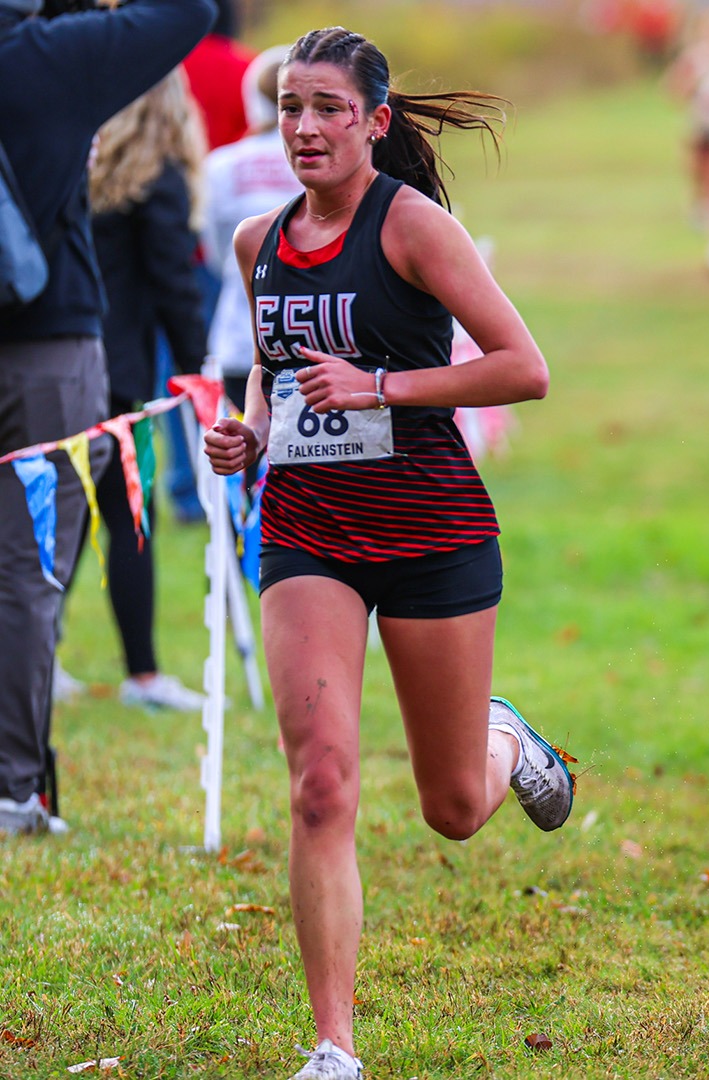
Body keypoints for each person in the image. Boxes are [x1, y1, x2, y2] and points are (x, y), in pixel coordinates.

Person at [199, 27, 570, 1079]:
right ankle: (333, 1047)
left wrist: (383, 387)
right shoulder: (257, 241)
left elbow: (523, 369)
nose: (305, 127)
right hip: (307, 530)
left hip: (431, 531)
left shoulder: (414, 229)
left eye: (327, 108)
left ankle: (506, 740)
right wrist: (250, 433)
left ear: (375, 121)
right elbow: (274, 375)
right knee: (320, 784)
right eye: (289, 106)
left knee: (454, 809)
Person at [0, 0, 216, 836]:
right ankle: (14, 786)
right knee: (25, 569)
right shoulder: (53, 55)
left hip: (55, 338)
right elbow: (192, 10)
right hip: (45, 338)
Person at [85, 67, 210, 712]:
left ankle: (39, 662)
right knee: (131, 517)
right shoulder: (156, 180)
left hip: (61, 360)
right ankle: (142, 675)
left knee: (59, 519)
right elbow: (174, 286)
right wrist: (202, 366)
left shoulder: (85, 174)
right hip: (119, 376)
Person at [203, 43, 302, 410]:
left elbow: (217, 254)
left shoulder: (220, 165)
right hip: (312, 336)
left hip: (238, 336)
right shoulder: (322, 157)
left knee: (245, 458)